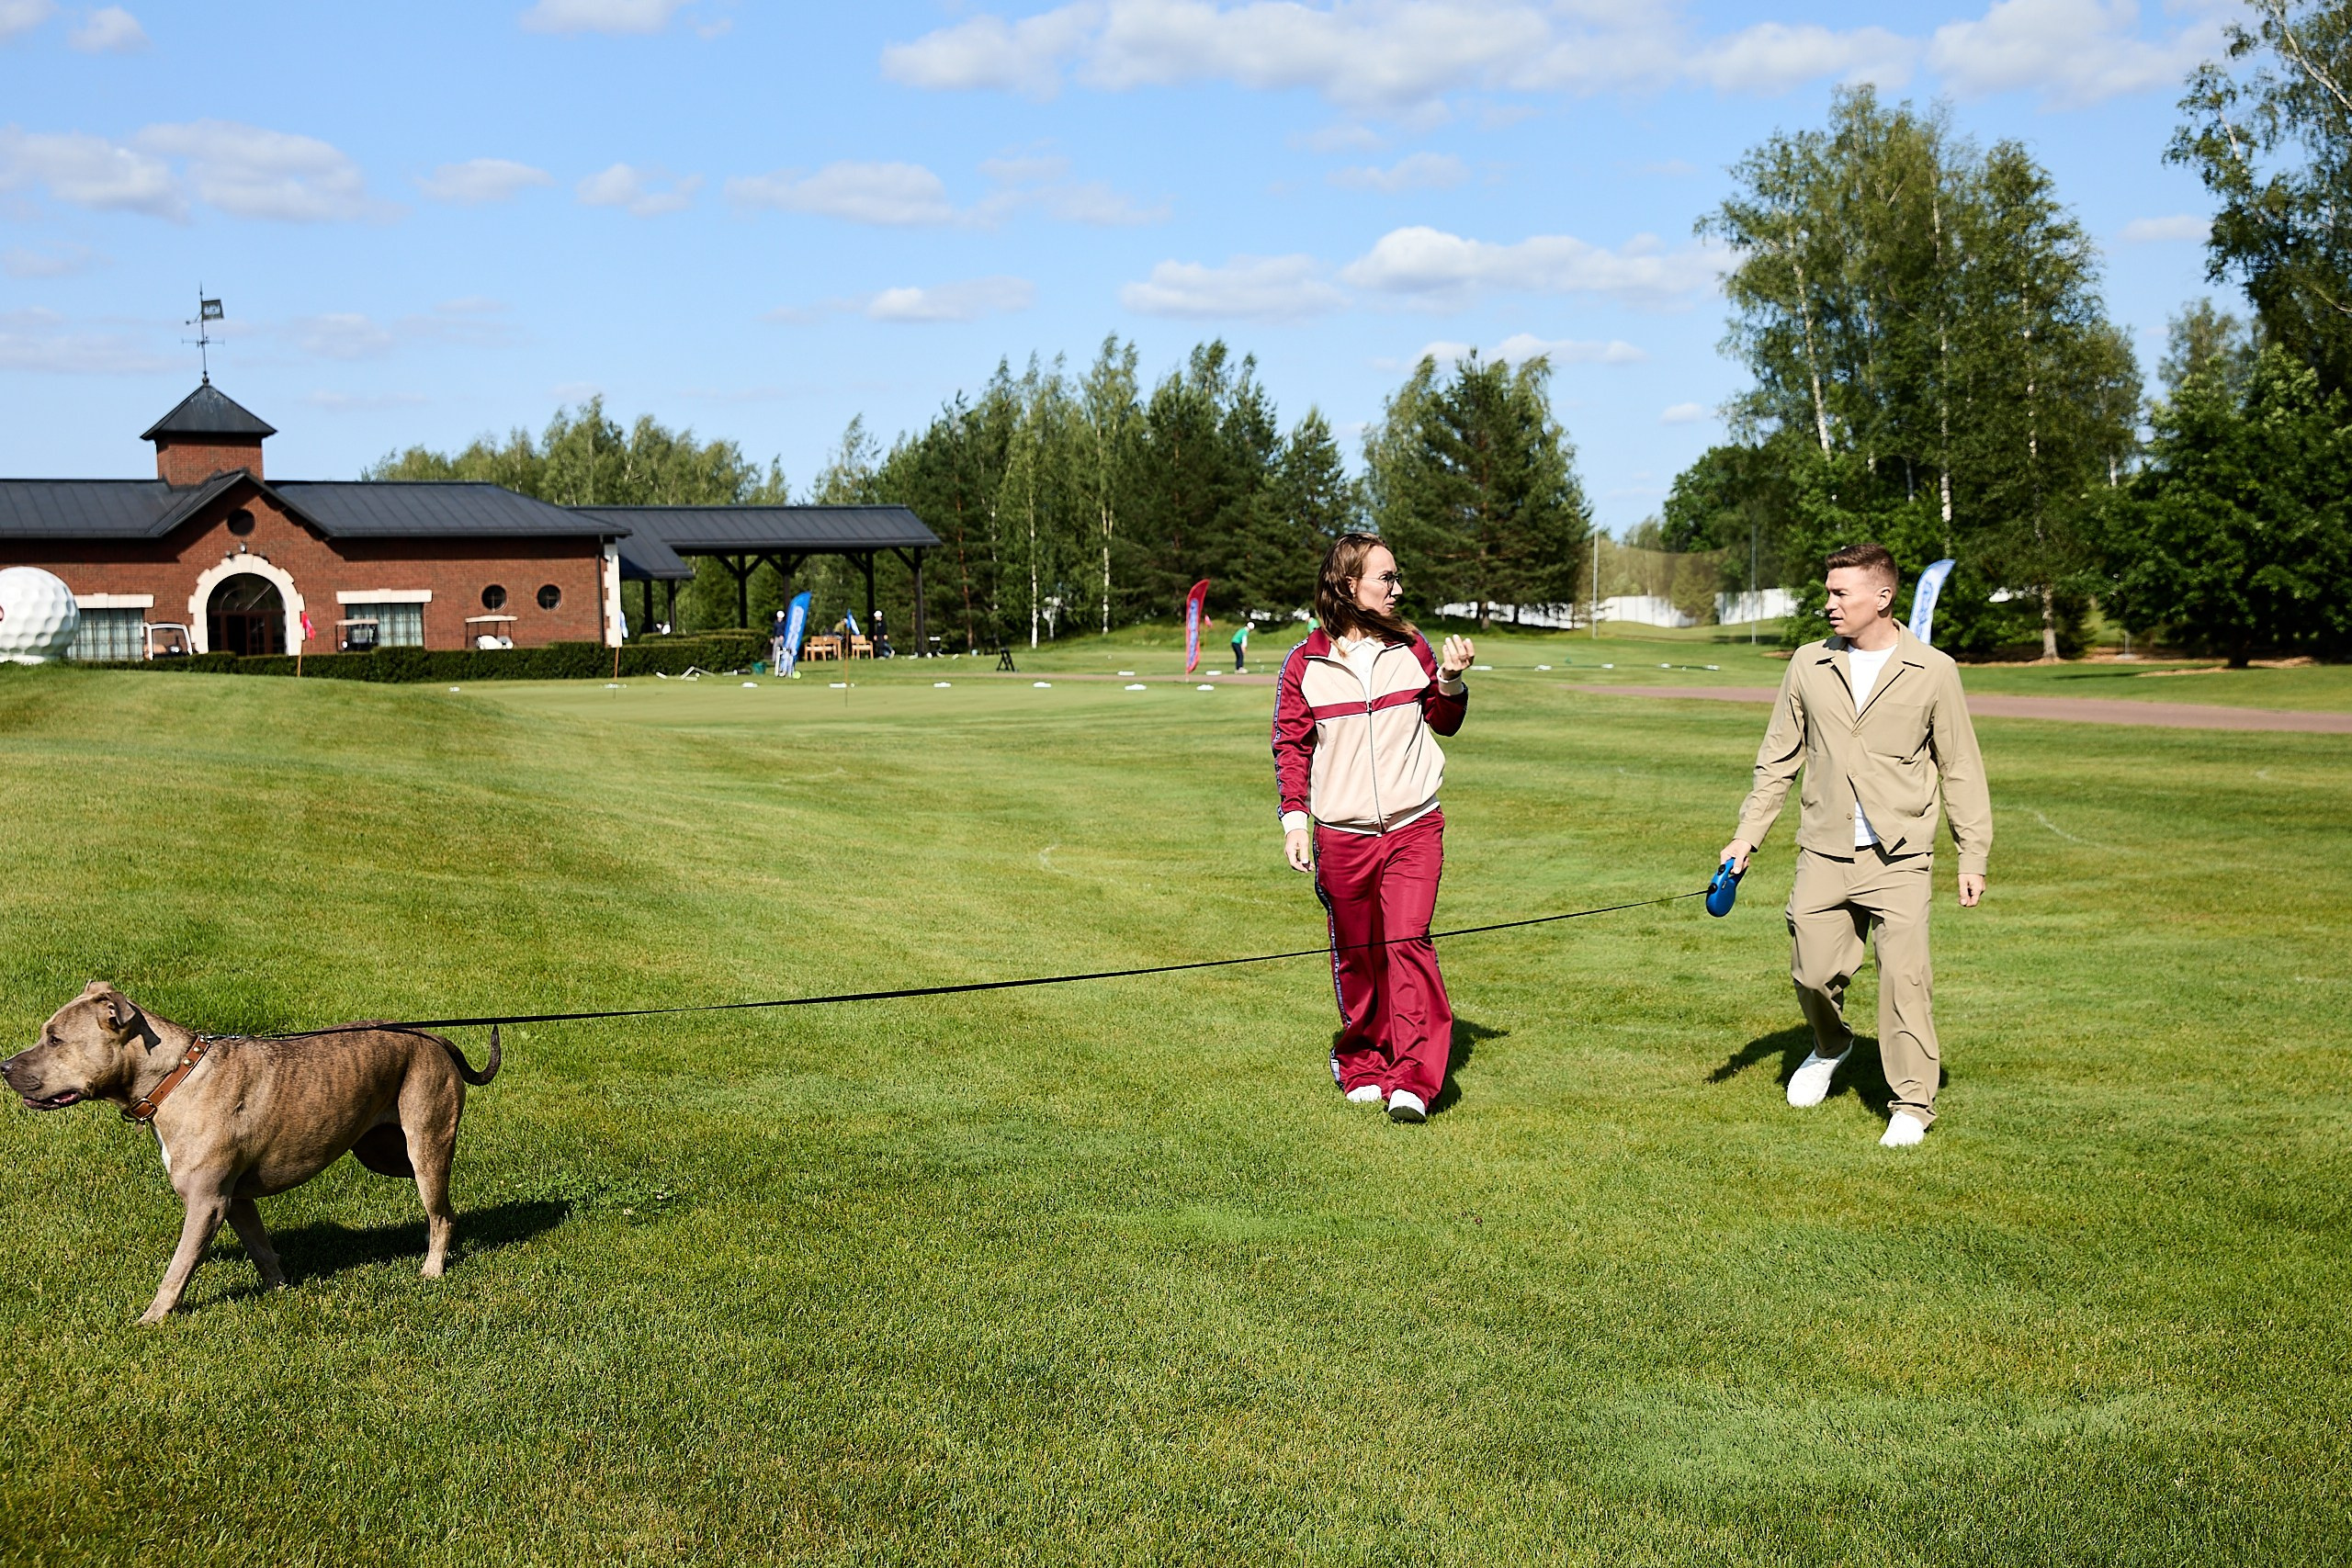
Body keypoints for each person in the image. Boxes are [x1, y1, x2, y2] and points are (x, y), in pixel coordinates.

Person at [1719, 541, 1992, 1148]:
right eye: (1828, 590)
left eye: (1841, 592)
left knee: (1905, 979)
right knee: (1811, 971)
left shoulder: (1935, 670)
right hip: (1824, 847)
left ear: (1883, 597)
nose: (1829, 604)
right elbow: (1776, 763)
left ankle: (1913, 1104)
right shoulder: (1807, 664)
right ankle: (1832, 1044)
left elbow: (1961, 769)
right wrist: (1746, 837)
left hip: (1900, 855)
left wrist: (1972, 853)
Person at [1272, 534, 1475, 1123]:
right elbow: (1290, 748)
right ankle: (1362, 1058)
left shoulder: (1412, 648)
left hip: (1414, 826)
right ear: (1348, 585)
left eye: (1396, 577)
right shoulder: (1304, 664)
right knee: (1359, 955)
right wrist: (1294, 824)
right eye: (1385, 578)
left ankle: (1415, 1076)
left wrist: (1453, 680)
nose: (1397, 588)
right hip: (1342, 835)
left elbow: (1445, 719)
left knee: (1407, 942)